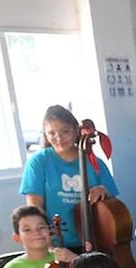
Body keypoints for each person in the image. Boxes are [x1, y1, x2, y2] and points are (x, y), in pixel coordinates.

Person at [20, 105, 119, 249]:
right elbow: (34, 210)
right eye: (52, 133)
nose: (58, 138)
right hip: (56, 244)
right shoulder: (38, 162)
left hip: (96, 241)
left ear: (75, 129)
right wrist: (47, 246)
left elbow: (113, 204)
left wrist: (104, 191)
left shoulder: (93, 162)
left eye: (64, 131)